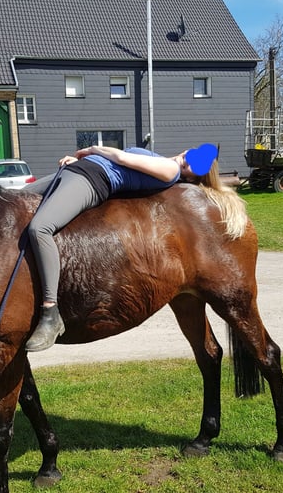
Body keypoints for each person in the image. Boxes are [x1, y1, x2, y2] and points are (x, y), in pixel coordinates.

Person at [22, 144, 236, 352]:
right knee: (9, 200)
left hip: (91, 179)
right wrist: (81, 160)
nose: (188, 159)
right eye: (194, 155)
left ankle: (50, 310)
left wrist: (91, 150)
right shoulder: (159, 159)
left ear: (190, 177)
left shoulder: (170, 170)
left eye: (194, 166)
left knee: (40, 228)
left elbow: (122, 159)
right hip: (76, 170)